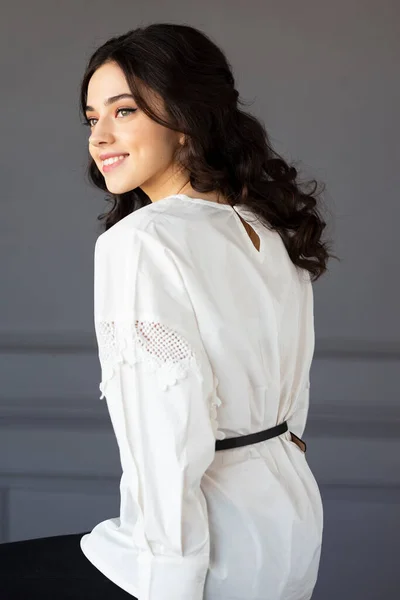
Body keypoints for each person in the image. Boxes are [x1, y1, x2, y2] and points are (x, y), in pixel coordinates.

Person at [0, 22, 338, 600]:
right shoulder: (265, 229)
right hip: (291, 528)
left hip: (198, 551)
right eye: (91, 118)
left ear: (185, 120)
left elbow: (165, 433)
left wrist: (169, 581)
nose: (99, 136)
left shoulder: (140, 241)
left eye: (123, 111)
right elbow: (293, 410)